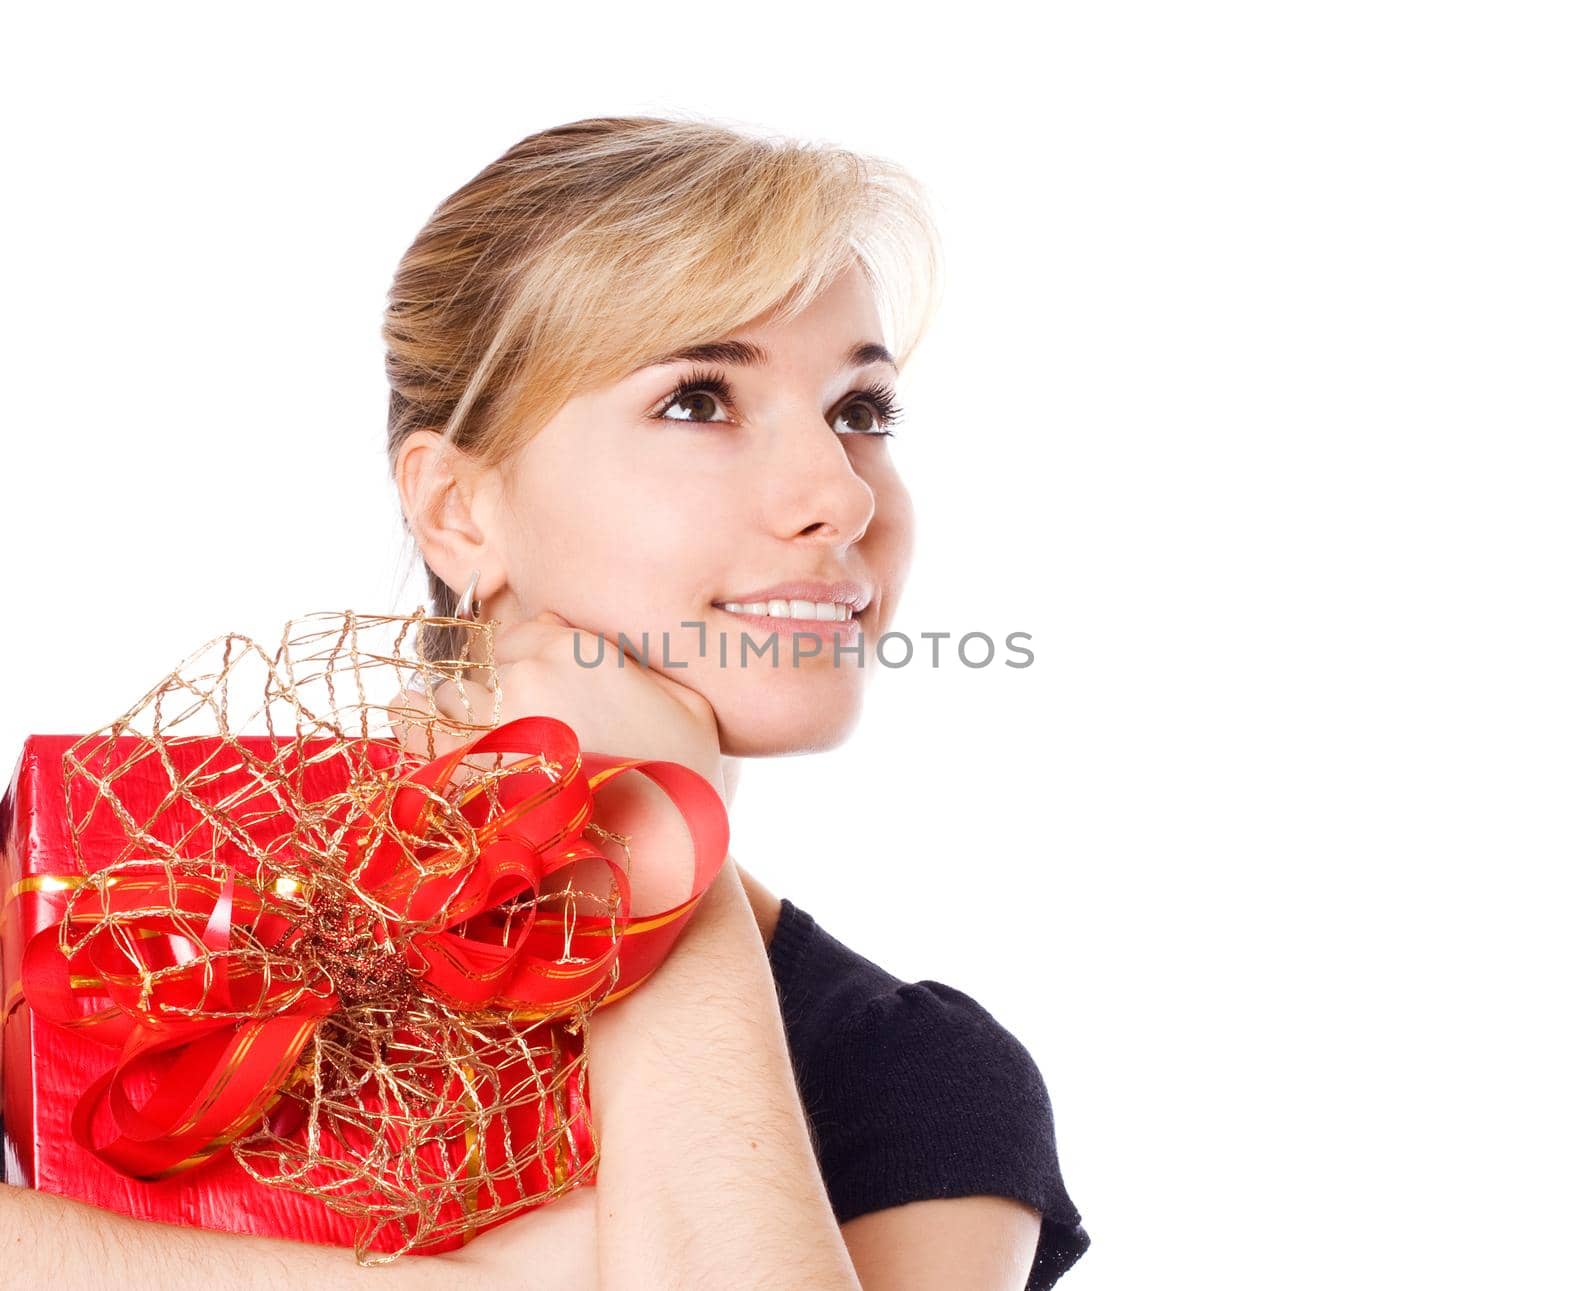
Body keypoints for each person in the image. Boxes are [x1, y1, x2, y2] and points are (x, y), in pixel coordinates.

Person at [1, 115, 1089, 1289]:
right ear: (458, 509)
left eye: (861, 412)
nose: (841, 494)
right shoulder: (91, 883)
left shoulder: (922, 1077)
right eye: (698, 399)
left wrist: (645, 860)